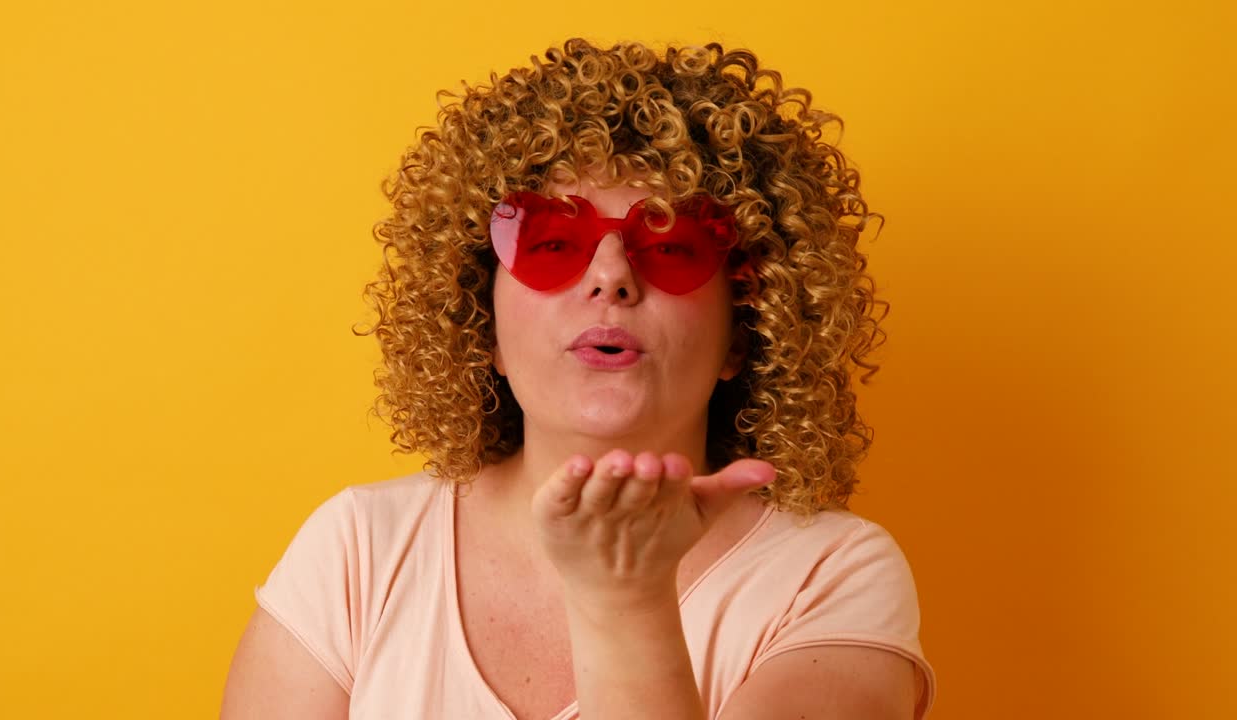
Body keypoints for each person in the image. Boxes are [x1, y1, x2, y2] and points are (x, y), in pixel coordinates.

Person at [221, 38, 936, 719]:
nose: (611, 278)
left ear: (744, 333)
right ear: (481, 323)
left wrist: (624, 598)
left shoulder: (832, 575)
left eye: (671, 247)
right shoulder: (358, 552)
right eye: (553, 244)